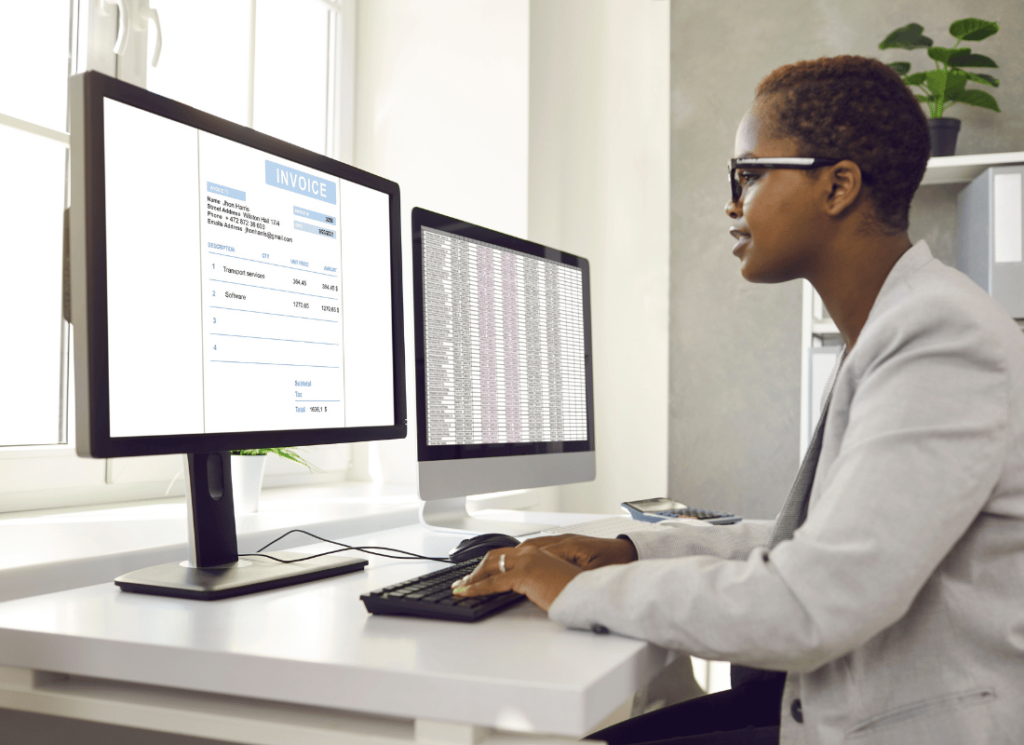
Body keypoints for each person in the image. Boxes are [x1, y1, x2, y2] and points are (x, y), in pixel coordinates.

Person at [451, 55, 1024, 745]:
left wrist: (570, 590)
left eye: (748, 174)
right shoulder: (898, 324)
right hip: (847, 698)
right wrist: (631, 551)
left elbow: (812, 601)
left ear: (838, 185)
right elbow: (813, 542)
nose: (732, 202)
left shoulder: (939, 336)